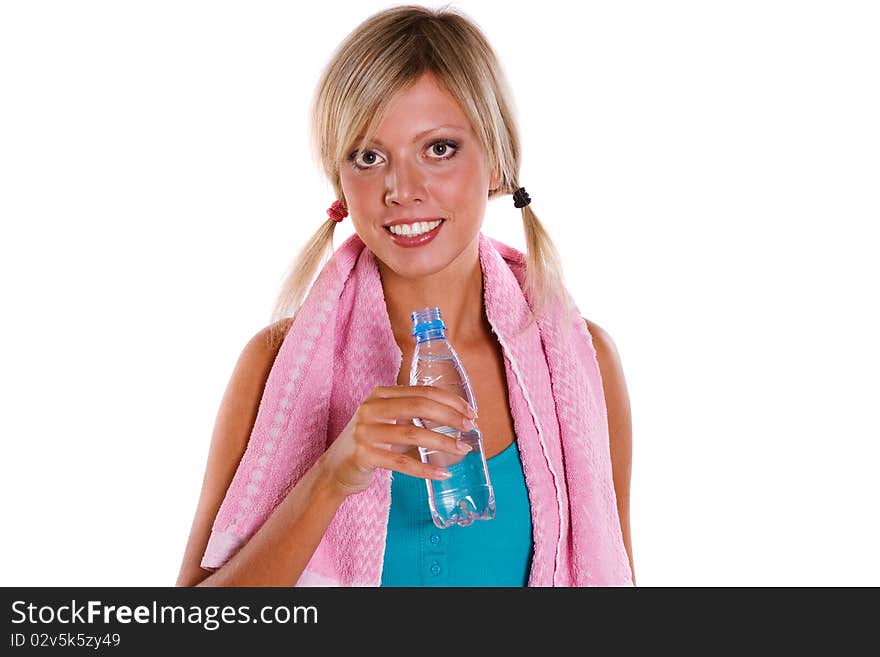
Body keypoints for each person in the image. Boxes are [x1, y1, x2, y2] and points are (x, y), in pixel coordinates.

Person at [176, 4, 635, 587]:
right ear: (341, 182)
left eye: (438, 148)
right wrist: (332, 476)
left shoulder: (584, 361)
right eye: (369, 157)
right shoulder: (272, 365)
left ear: (496, 160)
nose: (401, 190)